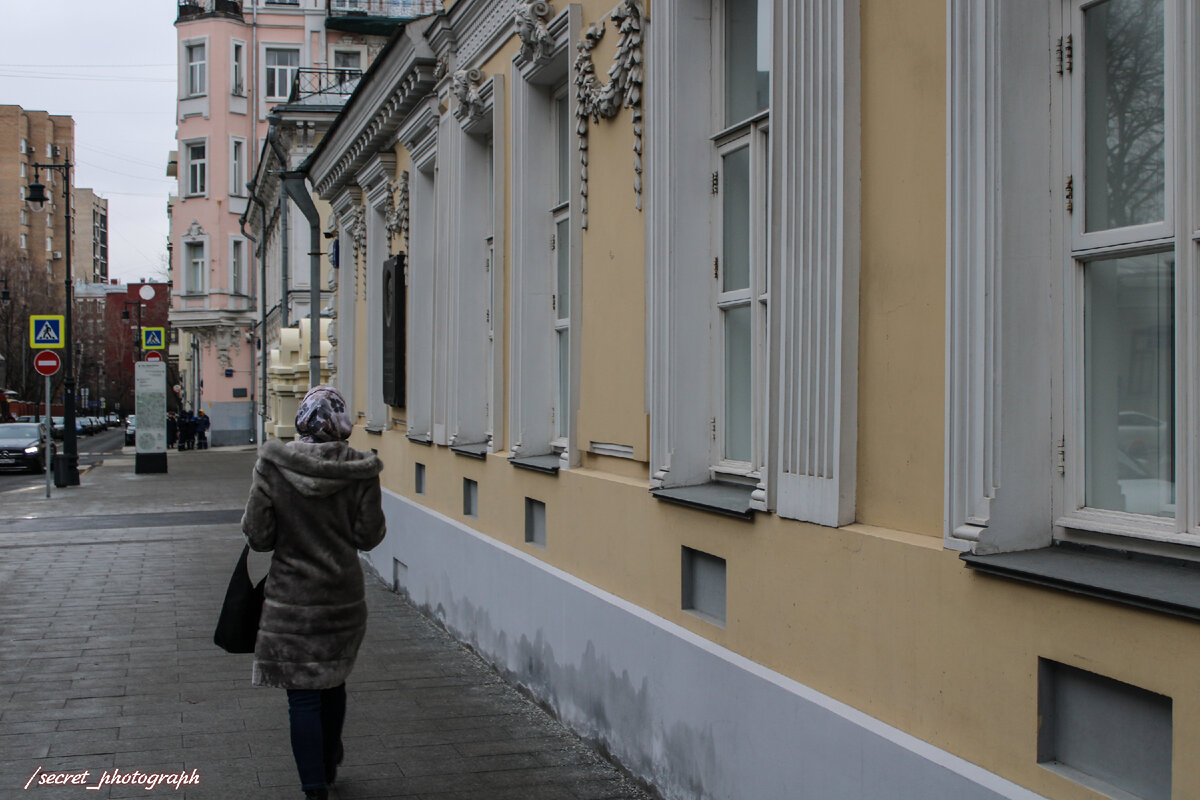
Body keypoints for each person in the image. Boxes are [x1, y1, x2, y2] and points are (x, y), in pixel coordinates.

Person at [241, 385, 385, 800]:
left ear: (304, 419)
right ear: (339, 423)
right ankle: (328, 760)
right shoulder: (360, 469)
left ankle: (314, 787)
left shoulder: (273, 467)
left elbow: (259, 536)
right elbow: (370, 536)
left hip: (291, 601)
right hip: (341, 596)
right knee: (333, 681)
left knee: (301, 697)